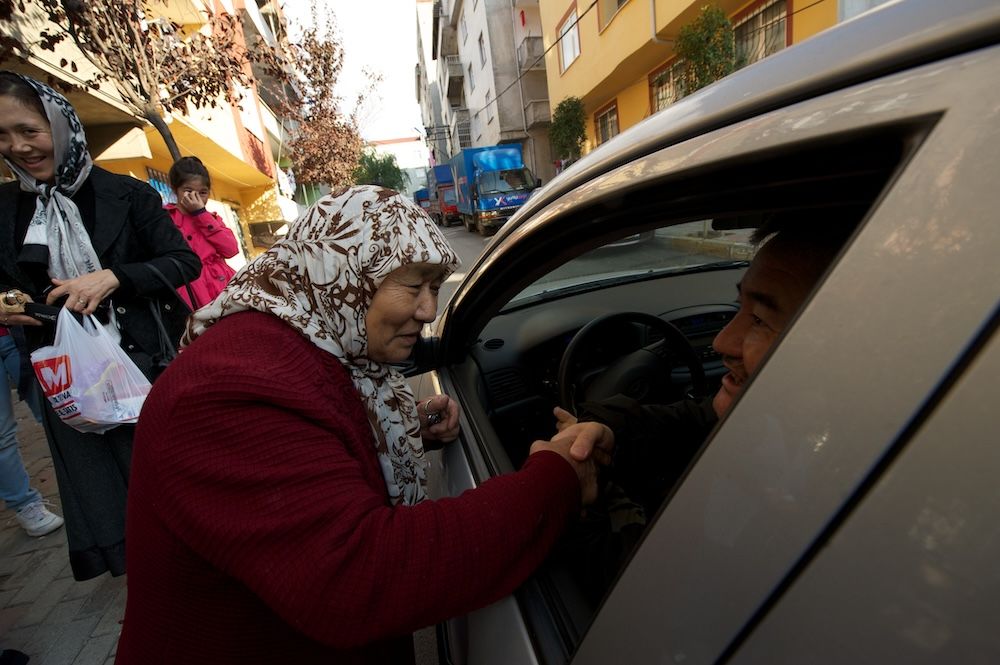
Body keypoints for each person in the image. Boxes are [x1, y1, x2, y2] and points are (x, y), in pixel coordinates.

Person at [115, 185, 598, 664]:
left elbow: (310, 442)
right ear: (342, 273)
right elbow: (360, 576)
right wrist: (555, 480)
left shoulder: (303, 342)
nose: (429, 311)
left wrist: (400, 429)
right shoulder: (230, 390)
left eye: (435, 286)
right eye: (413, 285)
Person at [553, 218, 854, 599]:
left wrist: (575, 507)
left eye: (760, 319)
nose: (722, 340)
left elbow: (638, 583)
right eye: (738, 307)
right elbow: (684, 420)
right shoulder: (771, 416)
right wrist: (602, 432)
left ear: (846, 343)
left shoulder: (830, 513)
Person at [0, 71, 200, 580]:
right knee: (107, 491)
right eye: (2, 135)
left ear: (60, 125)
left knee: (168, 479)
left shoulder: (126, 194)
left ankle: (199, 564)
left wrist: (113, 278)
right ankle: (154, 580)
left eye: (29, 130)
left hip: (141, 364)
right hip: (66, 376)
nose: (18, 147)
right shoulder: (5, 208)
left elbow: (182, 262)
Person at [1, 324, 63, 537]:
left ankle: (95, 482)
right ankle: (25, 505)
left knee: (60, 412)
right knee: (1, 436)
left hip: (15, 331)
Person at [164, 156, 239, 309]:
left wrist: (201, 215)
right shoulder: (165, 218)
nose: (195, 197)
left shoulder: (212, 219)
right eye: (188, 191)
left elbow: (231, 249)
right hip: (191, 290)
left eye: (203, 192)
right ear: (175, 189)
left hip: (223, 285)